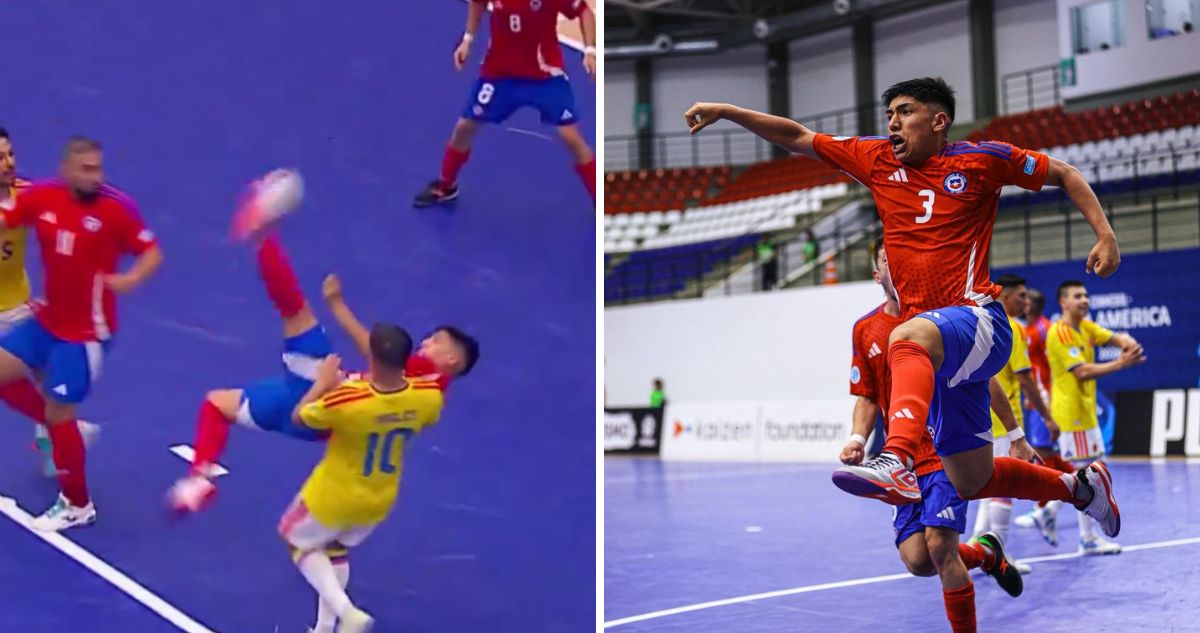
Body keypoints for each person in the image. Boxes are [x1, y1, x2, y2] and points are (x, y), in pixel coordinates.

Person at [685, 77, 1121, 539]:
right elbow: (797, 137)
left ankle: (896, 457)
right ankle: (1082, 489)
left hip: (979, 318)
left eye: (905, 111)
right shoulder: (875, 160)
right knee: (972, 479)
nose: (893, 122)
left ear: (939, 121)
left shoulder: (981, 160)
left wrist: (1105, 234)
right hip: (942, 351)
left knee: (906, 335)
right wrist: (729, 111)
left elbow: (1065, 173)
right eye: (889, 113)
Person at [168, 187, 478, 513]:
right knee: (218, 404)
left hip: (324, 391)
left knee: (295, 311)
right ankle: (198, 481)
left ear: (451, 359)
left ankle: (263, 232)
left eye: (436, 341)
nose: (426, 342)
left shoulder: (425, 373)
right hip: (318, 420)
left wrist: (338, 305)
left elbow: (379, 353)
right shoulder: (430, 398)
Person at [842, 239, 1023, 632]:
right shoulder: (865, 329)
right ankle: (987, 554)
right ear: (878, 275)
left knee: (941, 547)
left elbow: (981, 378)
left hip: (944, 448)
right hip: (902, 461)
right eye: (888, 261)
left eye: (901, 257)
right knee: (918, 560)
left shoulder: (936, 319)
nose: (898, 265)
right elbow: (868, 397)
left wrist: (1015, 431)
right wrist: (858, 438)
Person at [0, 136, 163, 531]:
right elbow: (9, 219)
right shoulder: (42, 198)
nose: (96, 176)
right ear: (67, 170)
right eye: (87, 169)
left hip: (86, 334)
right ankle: (70, 437)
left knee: (59, 416)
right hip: (47, 321)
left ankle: (77, 504)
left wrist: (131, 278)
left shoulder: (116, 208)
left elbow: (152, 251)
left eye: (98, 168)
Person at [280, 329, 443, 633]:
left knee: (296, 542)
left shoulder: (348, 400)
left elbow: (300, 417)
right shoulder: (429, 396)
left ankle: (347, 612)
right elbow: (422, 416)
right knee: (335, 549)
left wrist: (323, 385)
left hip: (334, 494)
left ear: (373, 358)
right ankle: (325, 628)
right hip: (380, 497)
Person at [413, 0, 597, 208]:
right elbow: (478, 3)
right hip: (500, 73)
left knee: (570, 136)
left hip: (544, 75)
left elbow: (584, 11)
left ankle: (599, 196)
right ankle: (446, 185)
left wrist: (590, 50)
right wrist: (468, 39)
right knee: (464, 128)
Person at [1044, 280, 1144, 555]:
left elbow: (1114, 337)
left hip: (1086, 413)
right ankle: (1085, 537)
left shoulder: (1085, 327)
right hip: (1071, 414)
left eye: (1086, 295)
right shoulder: (1060, 332)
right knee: (1087, 477)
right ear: (1064, 302)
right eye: (1078, 296)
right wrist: (1122, 363)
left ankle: (1047, 512)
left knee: (1087, 475)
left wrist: (1127, 342)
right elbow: (1082, 372)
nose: (1085, 300)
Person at [966, 274, 1054, 573]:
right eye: (1021, 297)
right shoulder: (1012, 328)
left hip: (975, 419)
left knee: (986, 485)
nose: (1027, 303)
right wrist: (1047, 416)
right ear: (1004, 298)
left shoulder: (976, 322)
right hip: (1003, 422)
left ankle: (978, 543)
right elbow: (1026, 380)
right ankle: (1000, 555)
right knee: (1002, 486)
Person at [1012, 287, 1075, 546]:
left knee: (1042, 451)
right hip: (1037, 397)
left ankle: (1045, 507)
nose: (1023, 304)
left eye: (1026, 301)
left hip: (1045, 397)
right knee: (1045, 452)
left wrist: (1042, 397)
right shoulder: (1028, 327)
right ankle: (1080, 483)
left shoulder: (1043, 328)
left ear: (1032, 306)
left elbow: (1047, 367)